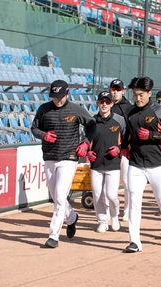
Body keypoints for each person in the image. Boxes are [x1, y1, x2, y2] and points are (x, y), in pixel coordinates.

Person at [31, 79, 97, 248]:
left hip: (69, 157)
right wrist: (43, 135)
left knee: (60, 194)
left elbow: (91, 125)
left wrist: (85, 142)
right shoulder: (44, 109)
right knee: (56, 196)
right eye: (54, 96)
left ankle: (53, 236)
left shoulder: (75, 109)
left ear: (67, 94)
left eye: (60, 96)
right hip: (50, 156)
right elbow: (34, 128)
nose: (57, 100)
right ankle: (72, 218)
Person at [122, 77, 161, 253]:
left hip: (158, 163)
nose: (137, 98)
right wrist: (124, 147)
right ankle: (135, 241)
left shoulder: (160, 111)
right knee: (133, 200)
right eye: (135, 94)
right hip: (136, 164)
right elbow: (128, 133)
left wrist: (152, 135)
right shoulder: (130, 112)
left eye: (141, 95)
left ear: (149, 93)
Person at [87, 91, 126, 233]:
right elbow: (85, 141)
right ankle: (102, 221)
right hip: (96, 164)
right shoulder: (92, 122)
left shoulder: (119, 121)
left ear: (112, 103)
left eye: (107, 102)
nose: (104, 104)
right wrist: (87, 152)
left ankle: (115, 217)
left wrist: (119, 149)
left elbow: (127, 140)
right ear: (97, 103)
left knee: (111, 195)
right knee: (97, 195)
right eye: (101, 102)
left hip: (113, 164)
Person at [109, 79, 132, 222]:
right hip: (108, 149)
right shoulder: (106, 104)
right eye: (113, 89)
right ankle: (109, 212)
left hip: (124, 149)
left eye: (118, 89)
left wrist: (127, 146)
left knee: (127, 182)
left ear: (123, 91)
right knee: (108, 182)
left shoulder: (128, 108)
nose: (115, 91)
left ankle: (128, 210)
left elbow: (130, 129)